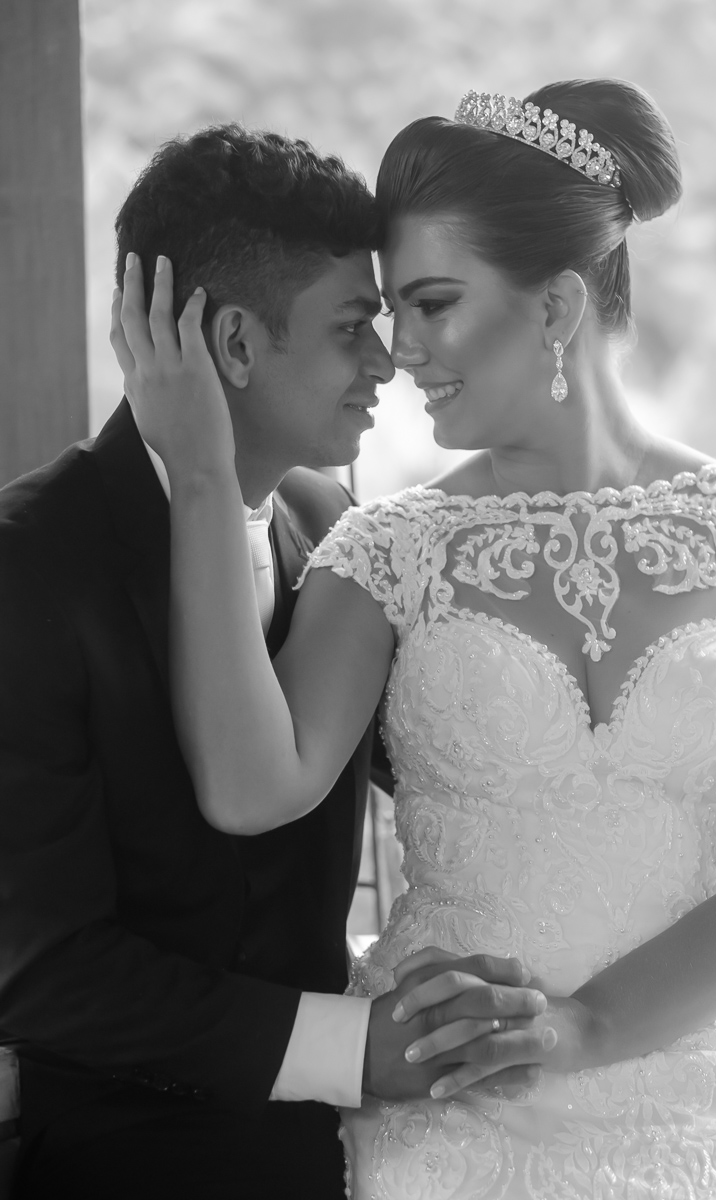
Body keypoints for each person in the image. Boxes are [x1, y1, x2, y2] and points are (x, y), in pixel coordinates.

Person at [113, 81, 716, 1198]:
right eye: (389, 313)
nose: (400, 353)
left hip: (706, 1115)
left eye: (432, 303)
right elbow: (250, 789)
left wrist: (582, 1028)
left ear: (556, 305)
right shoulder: (386, 549)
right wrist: (198, 476)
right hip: (454, 1114)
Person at [0, 124, 551, 1200]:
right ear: (237, 347)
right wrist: (352, 1048)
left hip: (359, 1156)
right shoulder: (25, 568)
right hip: (125, 1167)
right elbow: (38, 967)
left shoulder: (327, 519)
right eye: (353, 328)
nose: (387, 361)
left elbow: (455, 760)